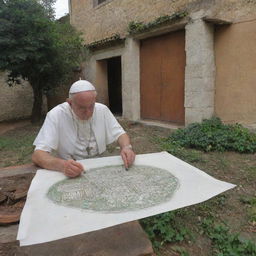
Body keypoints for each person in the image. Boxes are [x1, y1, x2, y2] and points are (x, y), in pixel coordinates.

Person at [32, 80, 136, 177]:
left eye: (91, 106)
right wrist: (62, 165)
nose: (88, 112)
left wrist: (126, 147)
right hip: (70, 166)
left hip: (99, 164)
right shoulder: (56, 114)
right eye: (82, 108)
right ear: (69, 103)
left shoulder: (102, 110)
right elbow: (38, 155)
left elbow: (120, 134)